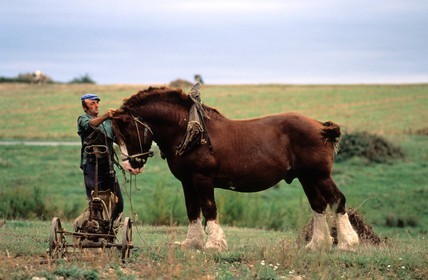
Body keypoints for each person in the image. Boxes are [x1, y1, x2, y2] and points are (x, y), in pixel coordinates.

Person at [75, 93, 124, 229]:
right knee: (95, 202)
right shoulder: (83, 119)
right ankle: (91, 228)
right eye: (92, 104)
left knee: (118, 203)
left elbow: (118, 139)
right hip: (91, 165)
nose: (96, 105)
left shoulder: (108, 123)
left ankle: (110, 229)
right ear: (85, 108)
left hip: (107, 166)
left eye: (97, 103)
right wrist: (106, 116)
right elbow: (91, 125)